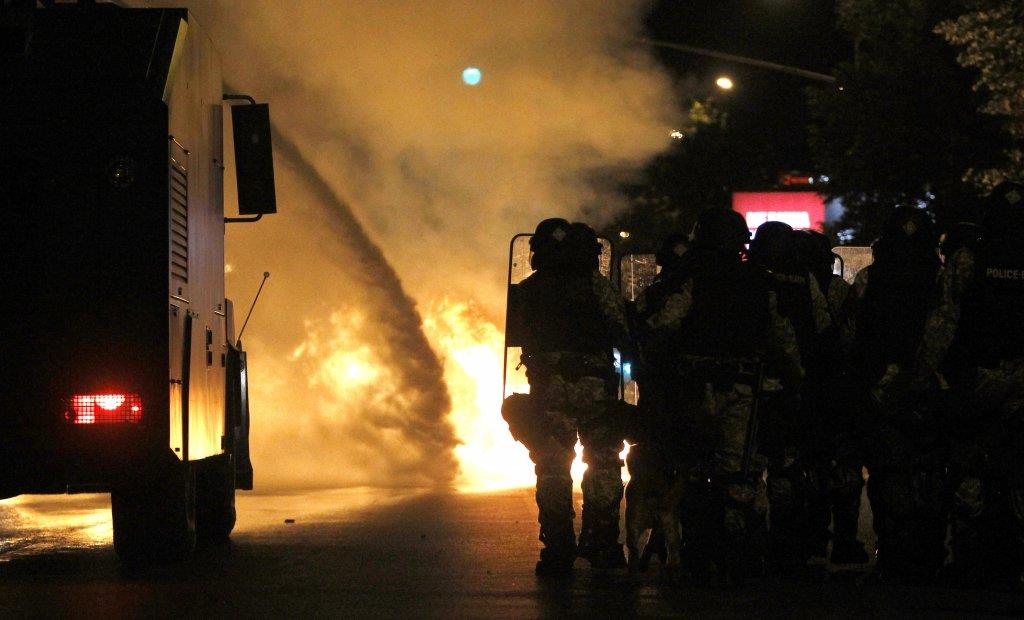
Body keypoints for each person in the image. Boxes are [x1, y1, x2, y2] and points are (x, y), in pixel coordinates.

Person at [640, 209, 803, 585]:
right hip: (744, 388)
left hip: (695, 389)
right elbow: (783, 339)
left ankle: (699, 551)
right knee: (738, 474)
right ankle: (738, 552)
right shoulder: (760, 283)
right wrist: (798, 380)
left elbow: (662, 325)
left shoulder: (691, 280)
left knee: (695, 469)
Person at [909, 182, 1024, 590]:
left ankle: (973, 561)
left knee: (970, 465)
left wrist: (923, 378)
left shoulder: (969, 257)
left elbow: (943, 325)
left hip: (978, 378)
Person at [504, 218, 634, 575]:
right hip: (594, 386)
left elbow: (516, 339)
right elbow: (624, 332)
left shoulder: (527, 289)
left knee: (552, 465)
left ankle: (558, 547)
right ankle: (603, 544)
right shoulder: (598, 287)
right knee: (604, 462)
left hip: (548, 388)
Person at [846, 206, 944, 584]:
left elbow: (851, 335)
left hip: (884, 388)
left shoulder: (871, 279)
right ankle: (925, 554)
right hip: (924, 387)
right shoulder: (940, 280)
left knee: (890, 473)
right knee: (926, 472)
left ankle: (895, 556)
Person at [748, 222, 833, 574]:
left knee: (747, 469)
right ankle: (787, 549)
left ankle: (747, 547)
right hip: (789, 389)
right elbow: (823, 328)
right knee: (786, 467)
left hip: (749, 389)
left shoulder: (747, 278)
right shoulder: (805, 280)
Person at [793, 230, 869, 566]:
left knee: (808, 467)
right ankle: (844, 541)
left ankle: (809, 540)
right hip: (841, 390)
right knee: (846, 469)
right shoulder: (841, 290)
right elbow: (853, 340)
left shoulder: (787, 291)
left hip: (801, 390)